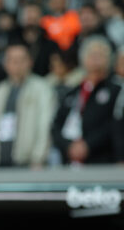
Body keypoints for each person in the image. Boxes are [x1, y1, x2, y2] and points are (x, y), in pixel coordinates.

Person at [0, 43, 57, 169]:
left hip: (29, 162)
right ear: (5, 64)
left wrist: (39, 157)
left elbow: (45, 125)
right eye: (12, 60)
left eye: (21, 60)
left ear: (30, 62)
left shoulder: (42, 89)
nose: (17, 64)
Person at [52, 36, 123, 164]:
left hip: (102, 160)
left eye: (100, 54)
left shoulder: (116, 90)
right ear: (83, 59)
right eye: (91, 54)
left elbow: (115, 125)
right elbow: (56, 125)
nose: (95, 58)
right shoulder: (73, 92)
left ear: (109, 59)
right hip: (69, 160)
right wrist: (68, 146)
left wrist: (88, 145)